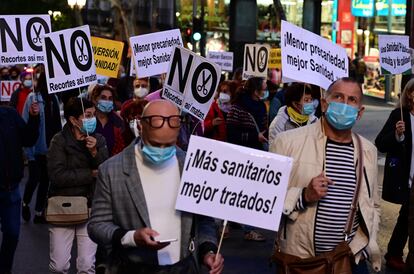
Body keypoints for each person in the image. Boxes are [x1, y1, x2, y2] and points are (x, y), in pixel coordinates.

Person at [88, 99, 224, 274]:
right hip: (132, 268)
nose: (162, 150)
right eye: (155, 143)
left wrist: (208, 251)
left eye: (169, 145)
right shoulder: (111, 170)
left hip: (184, 268)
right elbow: (97, 225)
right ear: (141, 127)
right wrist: (131, 237)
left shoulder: (192, 166)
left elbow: (204, 220)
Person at [270, 77, 381, 274]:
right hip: (300, 261)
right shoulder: (287, 142)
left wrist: (366, 245)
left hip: (349, 258)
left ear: (360, 112)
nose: (344, 105)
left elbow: (373, 205)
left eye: (352, 100)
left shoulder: (368, 151)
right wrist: (303, 196)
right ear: (324, 103)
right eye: (338, 97)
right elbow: (266, 200)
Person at [47, 97, 108, 274]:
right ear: (74, 120)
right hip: (63, 208)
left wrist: (95, 152)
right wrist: (89, 174)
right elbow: (57, 176)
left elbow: (105, 170)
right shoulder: (59, 141)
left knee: (87, 265)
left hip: (90, 207)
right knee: (59, 266)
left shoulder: (99, 139)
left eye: (93, 115)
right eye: (87, 116)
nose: (92, 120)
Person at [376, 78, 414, 272]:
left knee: (407, 215)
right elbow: (380, 144)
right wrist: (398, 135)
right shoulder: (399, 115)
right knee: (407, 215)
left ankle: (394, 253)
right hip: (405, 177)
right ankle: (394, 254)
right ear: (409, 94)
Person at [226, 77, 268, 241]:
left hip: (256, 154)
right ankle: (228, 225)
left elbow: (265, 127)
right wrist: (253, 136)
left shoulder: (261, 106)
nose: (265, 92)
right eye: (263, 88)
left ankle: (245, 227)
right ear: (255, 90)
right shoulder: (237, 108)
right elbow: (231, 134)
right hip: (239, 156)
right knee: (234, 192)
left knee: (251, 193)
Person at [0, 102, 40, 274]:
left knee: (12, 233)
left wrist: (33, 117)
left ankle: (4, 268)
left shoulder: (9, 114)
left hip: (10, 188)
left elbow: (28, 139)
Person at [21, 72, 62, 223]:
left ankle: (39, 212)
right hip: (35, 147)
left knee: (46, 180)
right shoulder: (33, 98)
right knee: (34, 178)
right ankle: (25, 203)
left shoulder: (54, 98)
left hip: (50, 148)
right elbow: (25, 122)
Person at [91, 84, 125, 156]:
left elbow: (121, 149)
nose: (107, 101)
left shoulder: (118, 121)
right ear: (94, 100)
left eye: (110, 98)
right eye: (103, 98)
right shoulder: (88, 121)